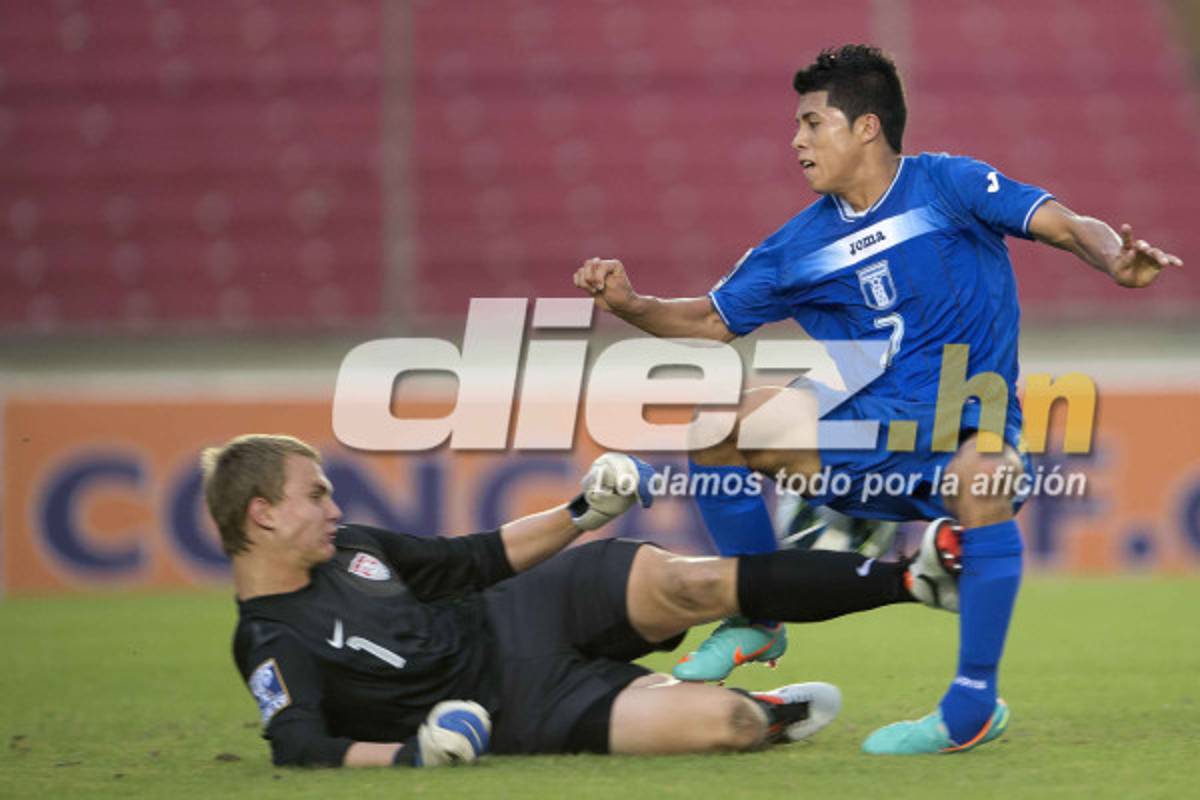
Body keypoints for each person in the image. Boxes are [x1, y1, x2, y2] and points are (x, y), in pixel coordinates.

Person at [573, 44, 1182, 754]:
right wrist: (629, 303)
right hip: (867, 434)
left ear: (866, 127)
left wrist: (1113, 259)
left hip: (967, 428)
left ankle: (972, 706)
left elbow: (1068, 224)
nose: (796, 141)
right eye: (796, 127)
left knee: (982, 477)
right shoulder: (798, 245)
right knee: (720, 427)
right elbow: (710, 320)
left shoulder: (949, 185)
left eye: (812, 123)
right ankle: (758, 614)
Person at [205, 433, 959, 767]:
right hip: (517, 706)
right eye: (317, 496)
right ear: (262, 514)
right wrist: (413, 755)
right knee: (725, 727)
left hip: (526, 607)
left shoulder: (355, 545)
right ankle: (756, 707)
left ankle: (909, 578)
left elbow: (474, 559)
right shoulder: (271, 639)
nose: (334, 509)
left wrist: (584, 514)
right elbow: (299, 748)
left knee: (691, 582)